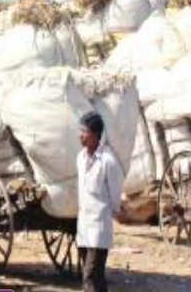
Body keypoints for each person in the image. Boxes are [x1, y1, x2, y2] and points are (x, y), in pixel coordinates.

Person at [76, 112, 125, 292]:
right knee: (96, 278)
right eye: (80, 130)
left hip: (99, 228)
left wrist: (112, 211)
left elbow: (115, 196)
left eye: (84, 131)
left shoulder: (108, 162)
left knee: (89, 277)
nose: (80, 135)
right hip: (83, 227)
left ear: (95, 135)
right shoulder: (80, 158)